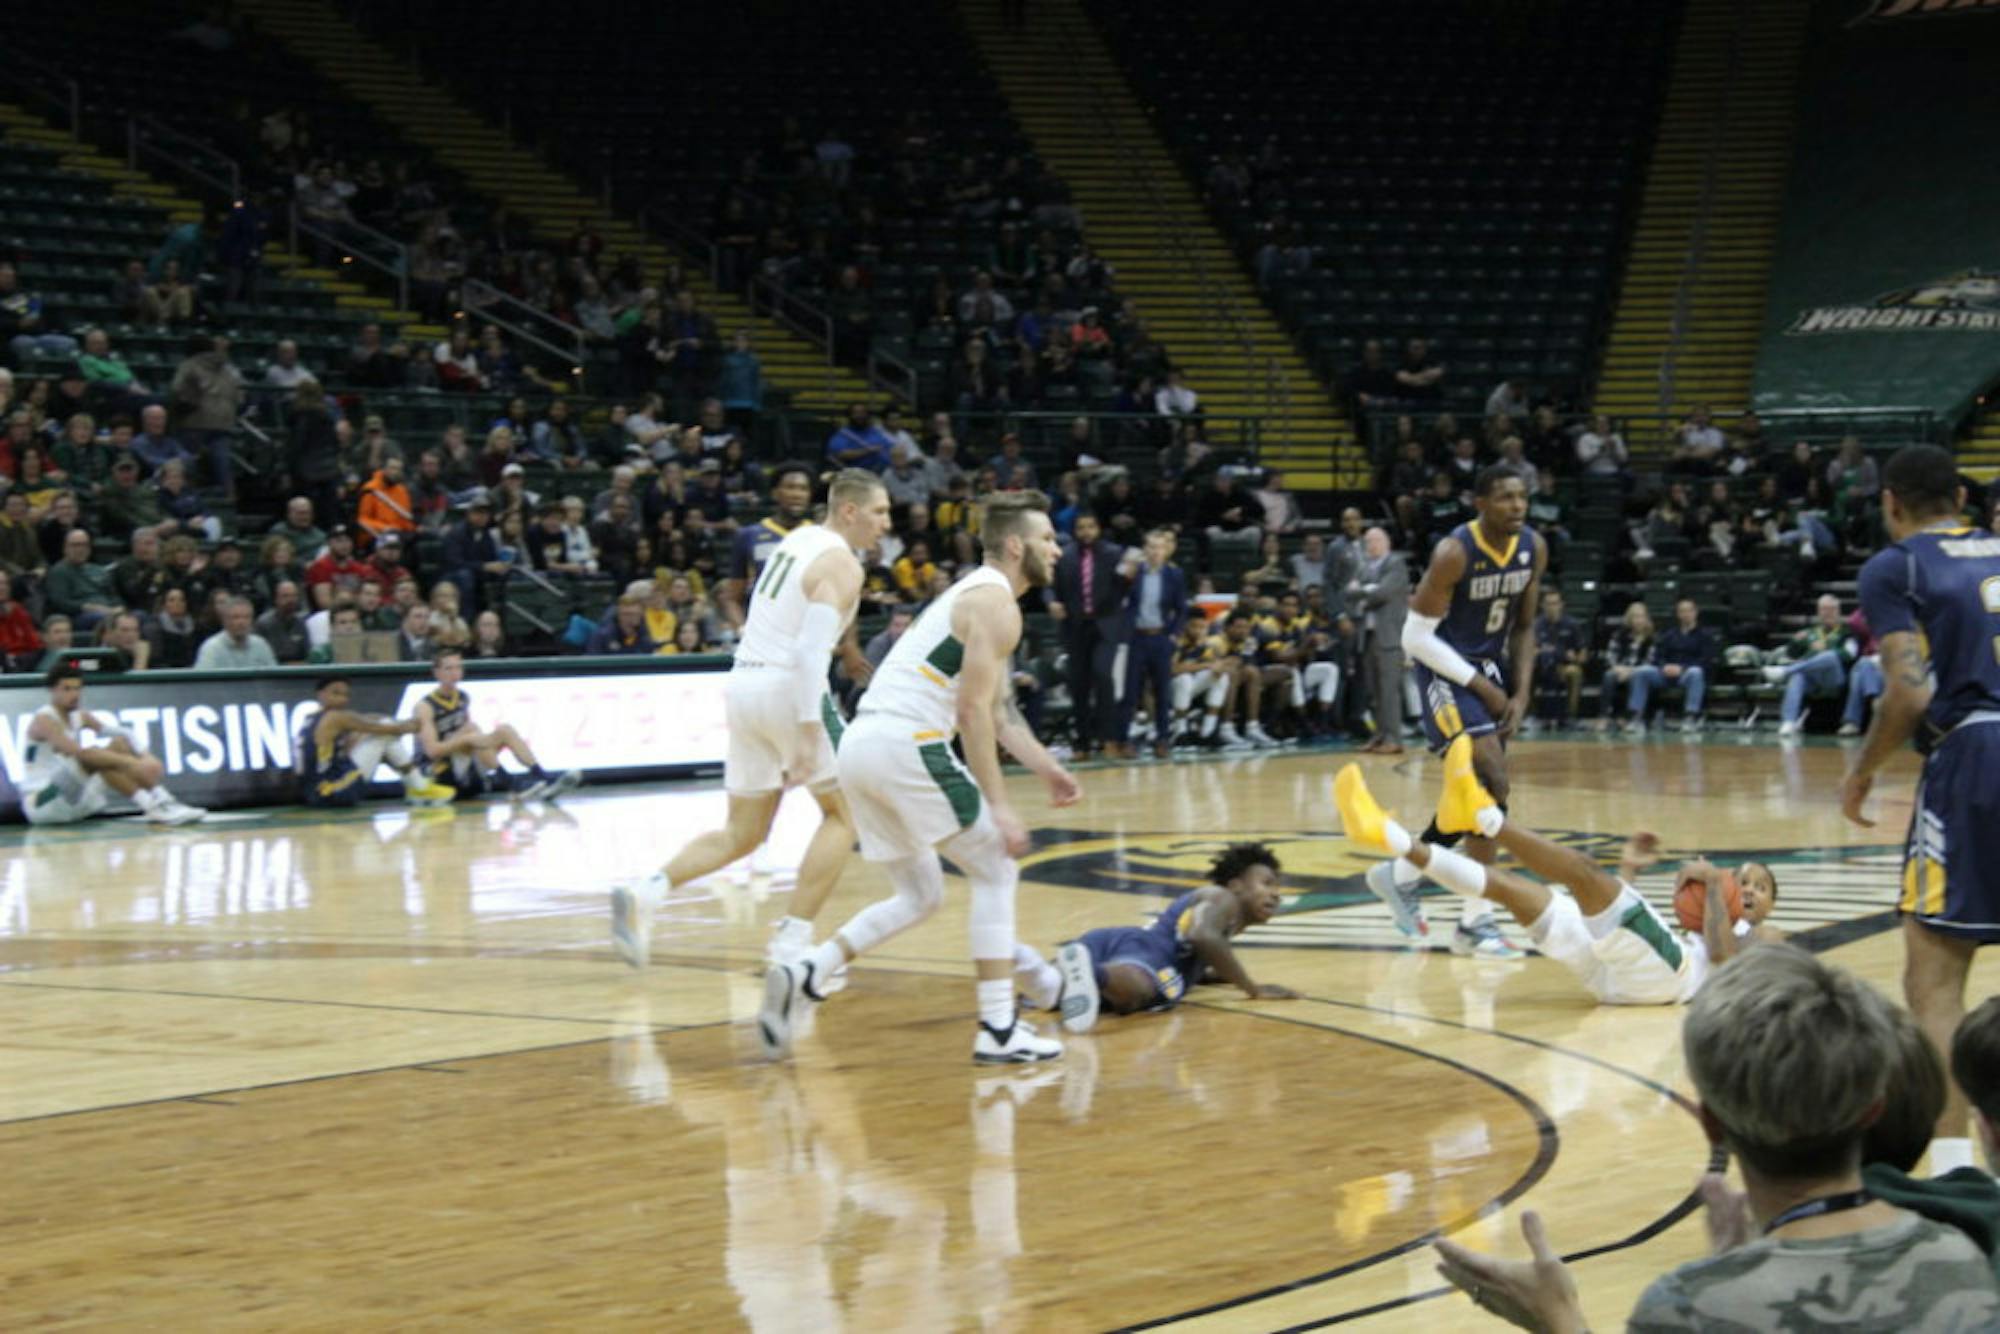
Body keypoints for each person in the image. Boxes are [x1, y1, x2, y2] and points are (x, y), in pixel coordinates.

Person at [1433, 945, 2000, 1331]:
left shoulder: (1687, 1306)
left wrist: (1559, 1319)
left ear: (1711, 1124)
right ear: (1873, 1109)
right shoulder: (1963, 1260)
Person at [758, 492, 1082, 1065]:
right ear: (1015, 545)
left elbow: (1001, 711)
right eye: (1048, 540)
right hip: (907, 744)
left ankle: (811, 969)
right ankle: (999, 1028)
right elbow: (972, 715)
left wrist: (1047, 767)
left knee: (921, 893)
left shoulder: (975, 595)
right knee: (996, 867)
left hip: (862, 746)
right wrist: (1000, 805)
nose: (1057, 550)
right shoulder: (996, 603)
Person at [611, 470, 893, 973]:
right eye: (879, 512)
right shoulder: (843, 565)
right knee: (846, 815)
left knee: (742, 833)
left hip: (744, 685)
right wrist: (809, 733)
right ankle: (791, 943)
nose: (886, 523)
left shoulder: (797, 541)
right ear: (849, 511)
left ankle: (646, 891)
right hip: (788, 687)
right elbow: (809, 654)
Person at [1339, 739, 1782, 1004]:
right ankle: (1388, 835)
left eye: (1760, 887)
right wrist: (1628, 869)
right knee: (1513, 890)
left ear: (1772, 905)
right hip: (1624, 980)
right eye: (1742, 879)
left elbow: (1724, 958)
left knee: (1585, 874)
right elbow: (1614, 928)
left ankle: (1482, 816)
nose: (1747, 889)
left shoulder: (1767, 937)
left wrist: (1708, 886)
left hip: (1671, 978)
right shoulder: (1715, 923)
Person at [1842, 443, 2000, 1177]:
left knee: (1934, 980)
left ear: (1890, 503)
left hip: (1974, 754)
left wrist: (1863, 770)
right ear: (1963, 501)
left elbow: (1910, 693)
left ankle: (1956, 1172)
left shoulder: (1896, 565)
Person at [1368, 464, 1544, 958]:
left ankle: (1403, 875)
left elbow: (1525, 628)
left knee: (1471, 798)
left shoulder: (1534, 547)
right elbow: (1414, 638)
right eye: (1506, 497)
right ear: (1480, 502)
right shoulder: (1453, 552)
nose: (1518, 506)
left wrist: (1521, 692)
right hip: (1443, 668)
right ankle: (1476, 920)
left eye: (1522, 497)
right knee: (1491, 778)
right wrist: (1484, 690)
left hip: (1489, 671)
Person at [1015, 842, 1295, 1034]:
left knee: (1055, 995)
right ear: (1236, 885)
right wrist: (1251, 988)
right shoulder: (1223, 899)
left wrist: (1213, 975)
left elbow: (1197, 948)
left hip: (1116, 944)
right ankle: (1087, 972)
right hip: (1148, 952)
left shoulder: (1223, 914)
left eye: (1277, 887)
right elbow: (1202, 936)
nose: (1275, 893)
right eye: (1267, 883)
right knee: (1144, 992)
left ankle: (1037, 972)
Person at [21, 662, 205, 825]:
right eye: (66, 689)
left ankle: (159, 801)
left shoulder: (80, 716)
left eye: (77, 688)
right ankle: (154, 803)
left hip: (74, 801)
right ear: (52, 690)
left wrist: (145, 755)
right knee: (92, 756)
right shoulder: (44, 719)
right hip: (42, 801)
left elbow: (124, 732)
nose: (74, 694)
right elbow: (79, 754)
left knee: (119, 744)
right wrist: (135, 764)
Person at [413, 649, 578, 801]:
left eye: (458, 667)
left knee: (504, 730)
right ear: (437, 673)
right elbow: (432, 752)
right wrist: (468, 739)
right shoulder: (425, 707)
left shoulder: (463, 697)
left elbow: (472, 741)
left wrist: (473, 739)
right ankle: (511, 784)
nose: (454, 673)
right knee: (472, 730)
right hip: (438, 773)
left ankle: (543, 777)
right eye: (448, 668)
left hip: (465, 767)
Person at [295, 676, 456, 808]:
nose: (342, 699)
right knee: (383, 734)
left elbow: (365, 720)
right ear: (320, 694)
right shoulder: (336, 717)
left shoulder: (310, 718)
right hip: (332, 792)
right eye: (335, 693)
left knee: (373, 734)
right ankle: (419, 786)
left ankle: (417, 786)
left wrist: (394, 724)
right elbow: (379, 727)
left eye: (345, 695)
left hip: (312, 793)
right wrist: (409, 726)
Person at [1050, 512, 1133, 758]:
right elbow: (1049, 586)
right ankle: (1082, 742)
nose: (1086, 532)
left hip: (1106, 625)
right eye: (1081, 527)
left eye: (1090, 526)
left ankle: (1108, 738)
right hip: (1076, 626)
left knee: (1103, 675)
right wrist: (1051, 601)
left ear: (1098, 528)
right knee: (1079, 685)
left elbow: (1125, 585)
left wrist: (1130, 576)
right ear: (1075, 530)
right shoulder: (1064, 556)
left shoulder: (1114, 553)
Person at [1116, 528, 1187, 760]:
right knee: (1130, 691)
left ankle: (1162, 739)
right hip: (1136, 637)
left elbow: (1181, 609)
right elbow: (1118, 593)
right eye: (1151, 547)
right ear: (1145, 550)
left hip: (1160, 637)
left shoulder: (1174, 575)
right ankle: (1124, 739)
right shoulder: (1135, 572)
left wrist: (1174, 635)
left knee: (1162, 692)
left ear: (1166, 550)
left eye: (1159, 547)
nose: (1155, 552)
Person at [1764, 592, 1861, 738]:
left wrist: (1827, 648)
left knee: (1829, 656)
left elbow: (1850, 654)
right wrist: (1794, 642)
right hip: (1812, 680)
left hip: (1835, 679)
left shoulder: (1847, 632)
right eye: (1823, 609)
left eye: (1830, 609)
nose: (1827, 613)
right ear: (1818, 611)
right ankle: (1789, 721)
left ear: (1838, 611)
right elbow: (1791, 654)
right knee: (1797, 676)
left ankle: (1785, 672)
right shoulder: (1810, 632)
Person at [1350, 527, 1409, 754]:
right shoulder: (1365, 567)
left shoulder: (1396, 564)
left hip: (1389, 636)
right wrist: (1367, 592)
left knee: (1388, 690)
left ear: (1387, 543)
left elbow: (1382, 593)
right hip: (1368, 635)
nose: (1371, 545)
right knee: (1373, 691)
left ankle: (1394, 739)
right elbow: (1349, 592)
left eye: (1375, 540)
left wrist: (1364, 593)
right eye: (1367, 541)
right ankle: (1379, 736)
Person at [1630, 596, 1716, 733]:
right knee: (1642, 671)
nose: (1685, 614)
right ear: (1678, 614)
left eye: (1688, 611)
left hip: (1687, 675)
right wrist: (1664, 666)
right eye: (1682, 611)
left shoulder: (1705, 635)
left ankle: (1690, 717)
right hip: (1666, 674)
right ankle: (1637, 717)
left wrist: (1682, 668)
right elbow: (1657, 657)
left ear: (1695, 612)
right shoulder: (1669, 635)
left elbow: (1706, 660)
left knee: (1696, 672)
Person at [193, 596, 278, 669]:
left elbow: (274, 679)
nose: (241, 622)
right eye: (236, 617)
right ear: (225, 620)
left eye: (246, 617)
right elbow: (203, 685)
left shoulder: (261, 645)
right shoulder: (211, 648)